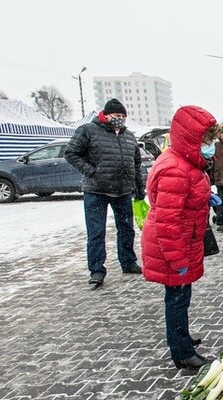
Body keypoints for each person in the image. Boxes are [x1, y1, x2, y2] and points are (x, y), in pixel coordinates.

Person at [140, 106, 220, 370]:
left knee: (181, 297)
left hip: (183, 241)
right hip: (172, 246)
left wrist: (204, 197)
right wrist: (177, 260)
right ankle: (182, 353)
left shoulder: (184, 162)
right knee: (176, 298)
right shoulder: (176, 169)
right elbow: (167, 222)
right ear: (191, 139)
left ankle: (181, 338)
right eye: (207, 141)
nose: (210, 147)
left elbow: (181, 201)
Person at [65, 98, 144, 288]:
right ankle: (97, 270)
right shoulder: (88, 131)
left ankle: (128, 261)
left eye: (123, 117)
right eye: (117, 116)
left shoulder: (129, 136)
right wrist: (92, 171)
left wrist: (139, 189)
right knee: (96, 233)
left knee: (126, 229)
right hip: (96, 190)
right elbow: (71, 153)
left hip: (123, 189)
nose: (120, 119)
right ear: (106, 115)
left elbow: (136, 164)